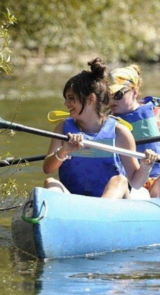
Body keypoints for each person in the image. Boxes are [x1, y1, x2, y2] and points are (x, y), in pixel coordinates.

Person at [43, 57, 159, 199]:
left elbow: (135, 183)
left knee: (120, 180)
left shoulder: (120, 132)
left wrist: (146, 166)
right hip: (74, 200)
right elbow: (47, 169)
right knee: (51, 183)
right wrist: (64, 151)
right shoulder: (62, 128)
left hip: (111, 202)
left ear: (91, 99)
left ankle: (97, 215)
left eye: (71, 98)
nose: (66, 103)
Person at [108, 64, 160, 197]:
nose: (111, 100)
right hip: (131, 180)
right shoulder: (107, 122)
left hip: (157, 177)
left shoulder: (155, 112)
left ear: (135, 92)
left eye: (118, 94)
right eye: (107, 95)